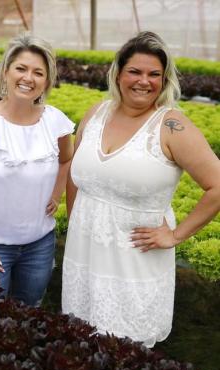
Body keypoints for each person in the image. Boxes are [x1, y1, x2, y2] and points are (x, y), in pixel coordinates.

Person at [62, 31, 220, 347]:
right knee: (80, 343)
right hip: (85, 253)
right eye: (135, 71)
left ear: (164, 80)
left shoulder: (172, 126)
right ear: (118, 73)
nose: (143, 81)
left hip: (134, 262)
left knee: (125, 351)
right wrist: (73, 223)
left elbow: (217, 185)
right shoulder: (95, 113)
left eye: (154, 75)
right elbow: (75, 175)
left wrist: (175, 236)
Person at [0, 34, 74, 307]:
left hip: (39, 245)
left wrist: (56, 194)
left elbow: (67, 159)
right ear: (5, 72)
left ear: (47, 81)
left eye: (38, 72)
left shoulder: (55, 121)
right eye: (21, 68)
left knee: (29, 311)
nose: (28, 78)